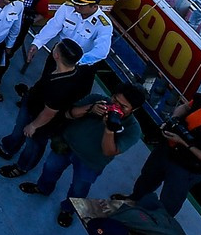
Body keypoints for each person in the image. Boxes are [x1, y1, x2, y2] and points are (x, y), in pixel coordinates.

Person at [19, 82, 149, 225]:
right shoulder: (97, 99)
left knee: (79, 189)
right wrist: (90, 109)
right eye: (115, 100)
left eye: (123, 107)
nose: (115, 107)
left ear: (134, 109)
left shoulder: (133, 129)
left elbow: (109, 151)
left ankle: (68, 209)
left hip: (91, 163)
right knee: (50, 168)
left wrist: (109, 129)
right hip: (66, 146)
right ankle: (42, 188)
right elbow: (68, 114)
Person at [123, 82, 201, 217]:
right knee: (147, 177)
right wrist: (173, 121)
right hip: (167, 149)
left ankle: (157, 222)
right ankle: (133, 200)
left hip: (187, 168)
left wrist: (185, 143)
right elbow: (185, 107)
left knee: (170, 200)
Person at [0, 38, 92, 176]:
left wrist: (33, 125)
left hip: (43, 121)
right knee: (18, 129)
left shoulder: (62, 86)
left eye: (57, 46)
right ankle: (7, 149)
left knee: (34, 144)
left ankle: (22, 167)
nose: (54, 46)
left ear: (57, 55)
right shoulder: (60, 67)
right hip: (32, 105)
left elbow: (49, 112)